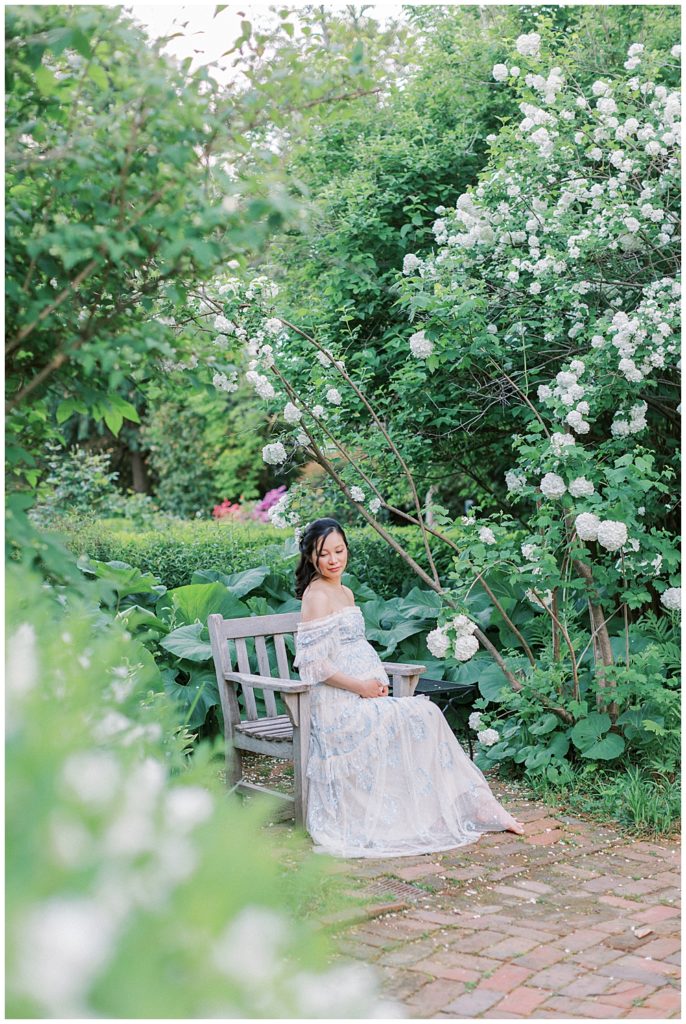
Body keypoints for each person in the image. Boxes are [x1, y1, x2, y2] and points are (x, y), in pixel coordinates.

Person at [293, 517, 525, 858]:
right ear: (311, 558)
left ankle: (455, 807)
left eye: (339, 550)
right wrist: (361, 687)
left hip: (364, 694)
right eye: (323, 554)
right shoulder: (316, 595)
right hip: (338, 704)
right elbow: (314, 665)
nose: (333, 560)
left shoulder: (344, 591)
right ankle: (442, 811)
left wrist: (372, 686)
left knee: (425, 714)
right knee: (422, 713)